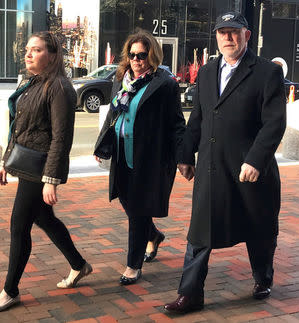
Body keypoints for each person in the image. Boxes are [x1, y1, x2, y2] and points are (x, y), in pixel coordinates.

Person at [164, 12, 287, 314]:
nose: (228, 38)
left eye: (234, 32)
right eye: (222, 33)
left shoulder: (266, 72)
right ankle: (190, 293)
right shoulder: (207, 72)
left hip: (250, 171)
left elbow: (274, 123)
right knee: (200, 230)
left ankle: (262, 277)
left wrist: (256, 160)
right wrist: (185, 155)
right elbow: (199, 118)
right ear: (216, 37)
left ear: (246, 35)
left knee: (259, 227)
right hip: (212, 167)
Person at [0, 31, 92, 313]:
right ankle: (79, 265)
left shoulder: (59, 88)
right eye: (28, 49)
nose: (28, 54)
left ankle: (10, 291)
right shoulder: (33, 83)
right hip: (27, 164)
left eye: (37, 50)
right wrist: (6, 162)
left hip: (40, 169)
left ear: (52, 56)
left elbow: (61, 137)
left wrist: (51, 180)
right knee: (44, 219)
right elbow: (19, 127)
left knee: (19, 225)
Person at [94, 29, 186, 285]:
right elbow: (114, 115)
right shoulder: (121, 79)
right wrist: (101, 145)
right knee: (127, 201)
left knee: (137, 210)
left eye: (142, 55)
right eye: (132, 54)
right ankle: (153, 235)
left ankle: (133, 265)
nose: (136, 59)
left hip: (150, 158)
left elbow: (177, 124)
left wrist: (183, 157)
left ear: (152, 55)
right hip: (123, 155)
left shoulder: (164, 84)